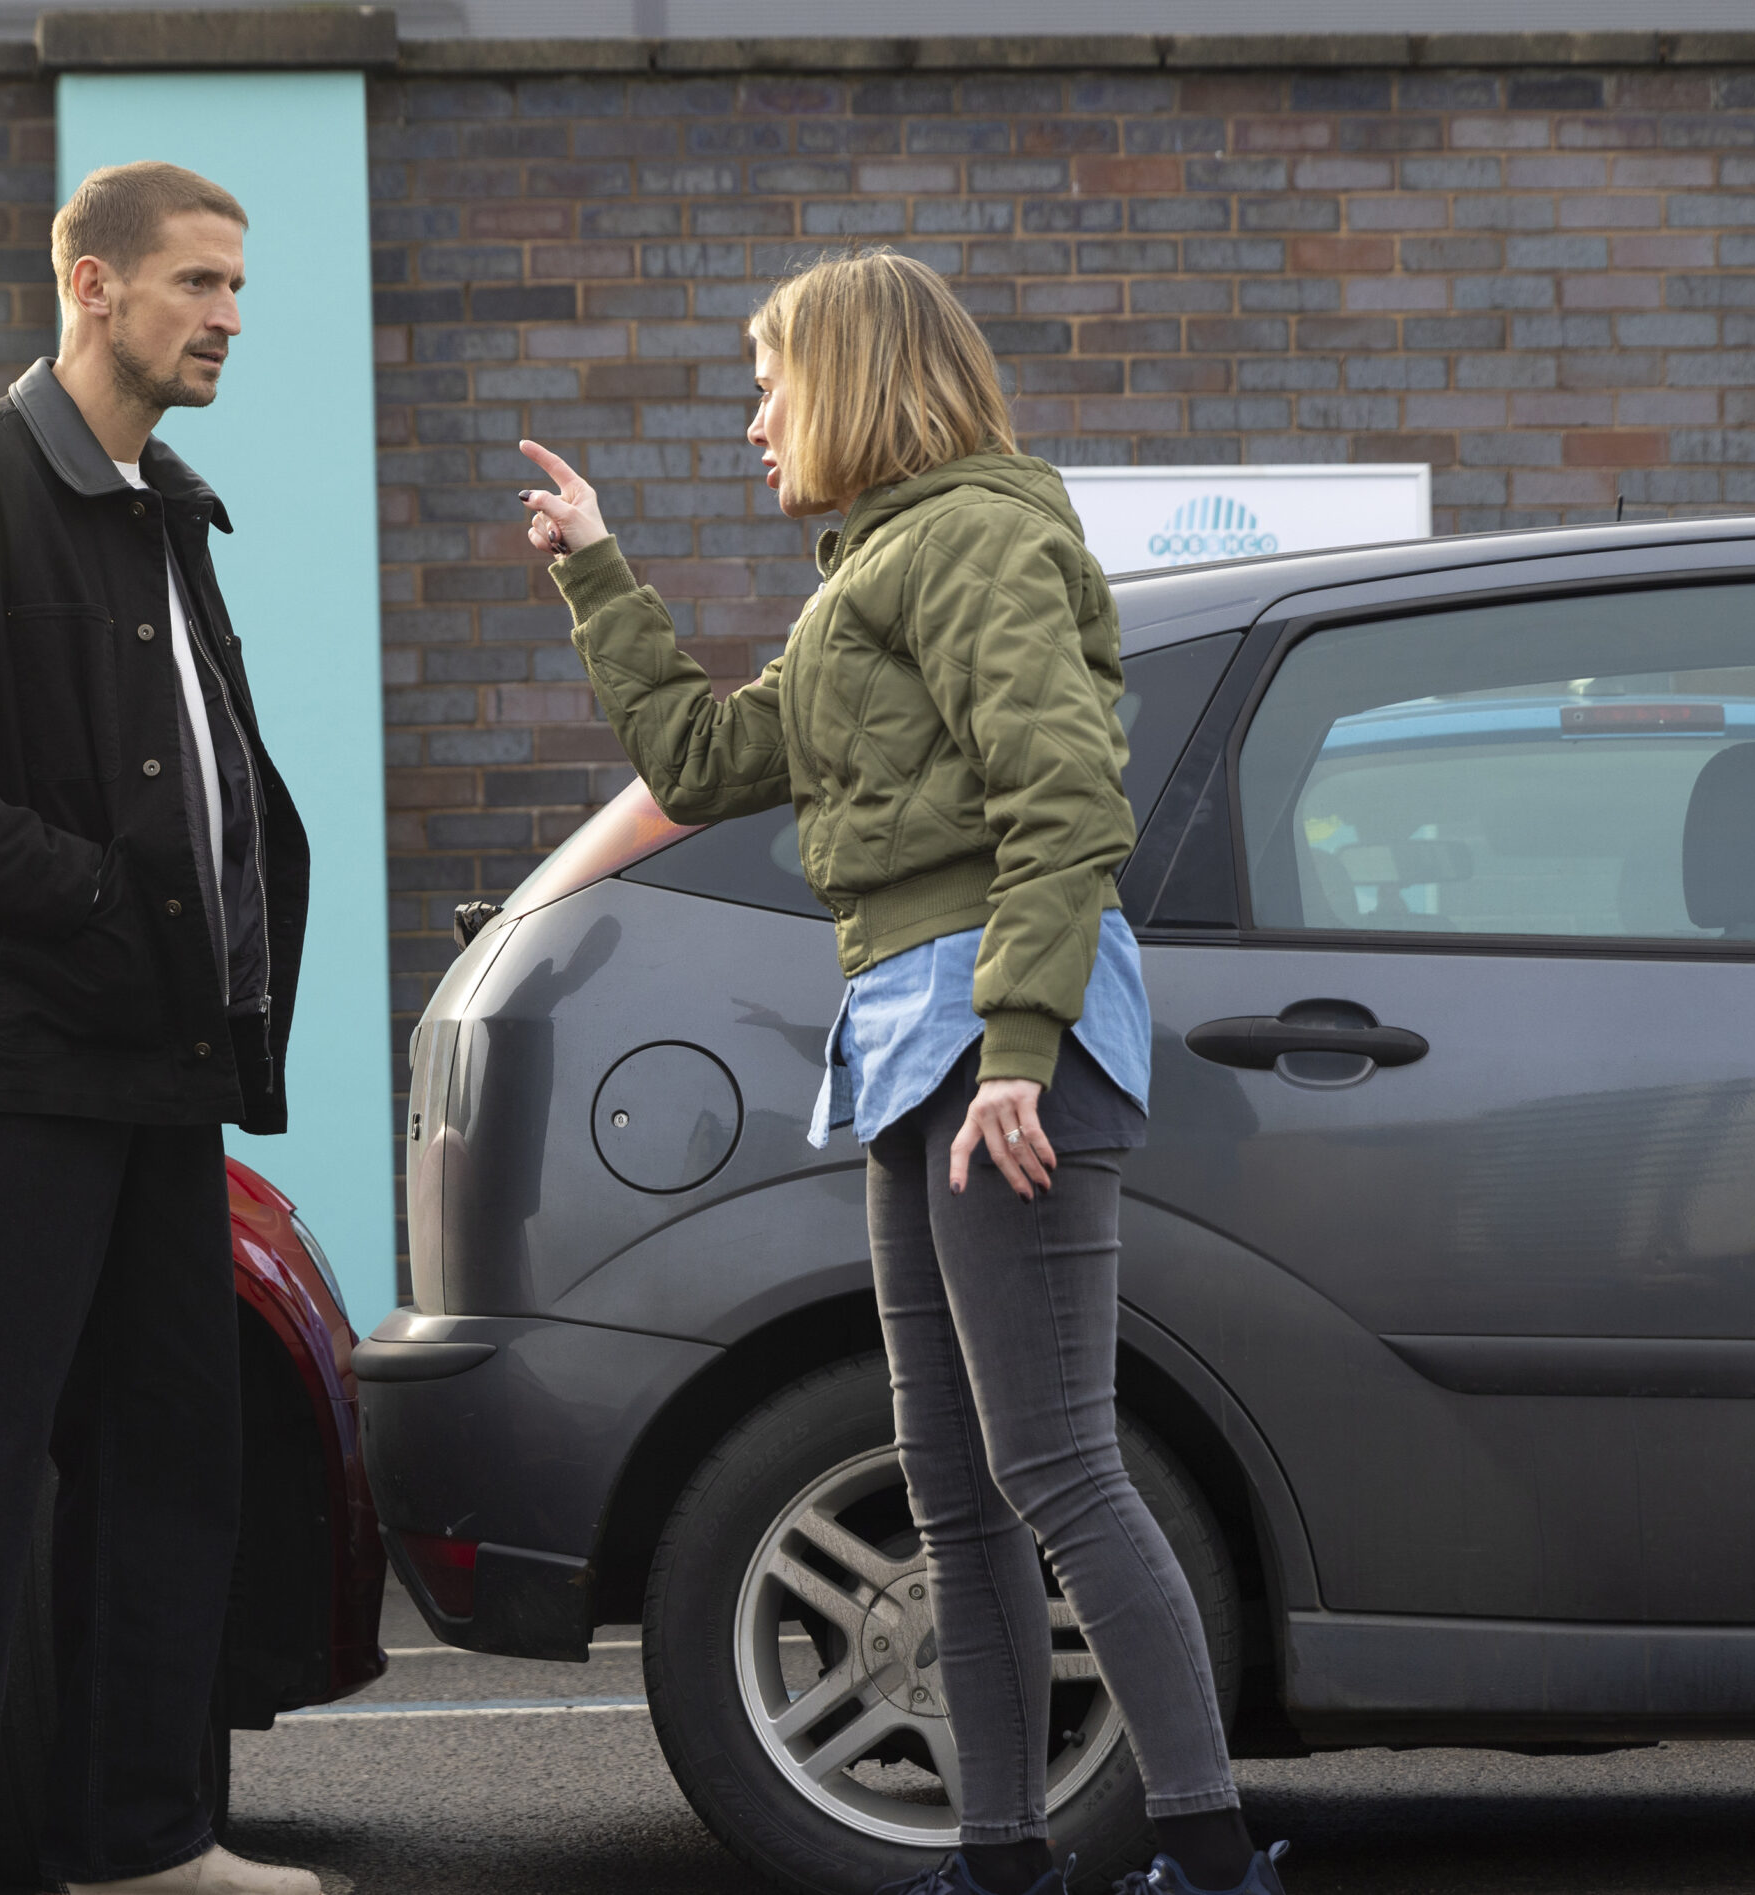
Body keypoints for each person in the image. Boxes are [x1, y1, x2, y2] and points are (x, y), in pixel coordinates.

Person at [516, 250, 1288, 1895]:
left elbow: (1066, 801)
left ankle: (1215, 1864)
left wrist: (1020, 1048)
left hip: (998, 1041)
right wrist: (598, 574)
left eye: (769, 384)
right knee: (954, 1482)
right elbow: (711, 762)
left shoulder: (986, 541)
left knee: (1058, 1462)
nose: (753, 422)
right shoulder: (870, 575)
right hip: (906, 1037)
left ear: (856, 379)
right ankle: (999, 1861)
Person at [0, 161, 317, 1895]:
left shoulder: (163, 508)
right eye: (198, 283)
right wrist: (100, 901)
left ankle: (144, 1840)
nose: (230, 318)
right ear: (91, 285)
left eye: (239, 287)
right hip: (18, 1067)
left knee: (171, 1472)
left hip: (166, 1071)